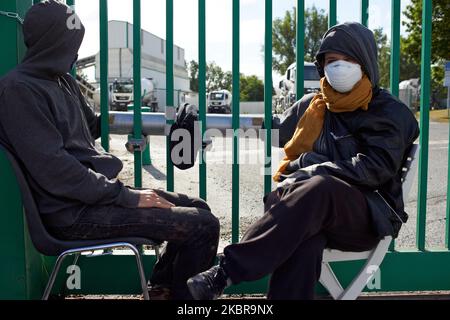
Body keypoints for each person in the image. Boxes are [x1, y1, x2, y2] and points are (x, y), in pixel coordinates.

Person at [0, 0, 219, 300]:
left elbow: (92, 126)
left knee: (199, 207)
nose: (75, 54)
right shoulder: (19, 91)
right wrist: (127, 196)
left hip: (95, 200)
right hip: (73, 214)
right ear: (51, 43)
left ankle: (164, 289)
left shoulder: (62, 80)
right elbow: (57, 172)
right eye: (69, 45)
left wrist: (161, 118)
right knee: (203, 226)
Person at [187, 22, 420, 300]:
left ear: (366, 62)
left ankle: (224, 273)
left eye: (349, 59)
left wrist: (309, 169)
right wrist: (202, 119)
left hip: (364, 217)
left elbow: (375, 168)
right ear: (322, 66)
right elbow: (269, 129)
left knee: (317, 188)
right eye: (333, 60)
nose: (340, 66)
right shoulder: (314, 105)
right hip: (310, 213)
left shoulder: (389, 111)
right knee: (303, 237)